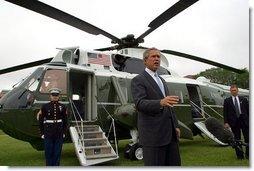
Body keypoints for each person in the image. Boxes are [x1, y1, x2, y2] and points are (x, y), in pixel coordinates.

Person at [131, 47, 181, 166]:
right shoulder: (138, 80)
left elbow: (169, 105)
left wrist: (176, 125)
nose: (157, 59)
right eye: (153, 56)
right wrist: (160, 103)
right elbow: (139, 103)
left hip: (170, 134)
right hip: (153, 136)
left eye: (158, 57)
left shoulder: (162, 80)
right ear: (145, 60)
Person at [37, 88, 68, 166]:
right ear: (50, 96)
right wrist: (42, 133)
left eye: (56, 95)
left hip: (59, 132)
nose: (55, 97)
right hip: (48, 132)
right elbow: (40, 121)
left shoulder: (63, 106)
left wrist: (64, 132)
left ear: (59, 96)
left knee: (57, 152)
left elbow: (65, 121)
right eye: (53, 95)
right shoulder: (45, 106)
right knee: (48, 152)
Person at [223, 84, 249, 159]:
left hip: (244, 121)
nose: (233, 92)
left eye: (235, 90)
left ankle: (248, 155)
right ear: (230, 91)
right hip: (234, 122)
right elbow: (225, 112)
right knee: (237, 139)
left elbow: (248, 111)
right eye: (232, 90)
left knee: (248, 138)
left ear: (237, 90)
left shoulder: (244, 99)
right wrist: (226, 122)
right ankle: (240, 156)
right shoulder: (227, 100)